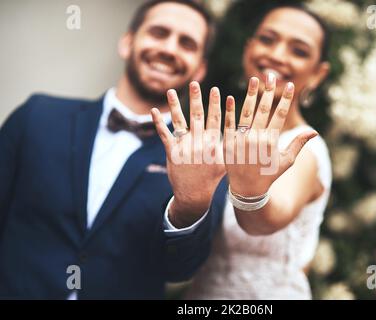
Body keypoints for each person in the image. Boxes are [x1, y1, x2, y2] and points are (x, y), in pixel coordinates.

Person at [0, 0, 227, 299]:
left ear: (200, 69)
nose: (170, 49)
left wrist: (188, 206)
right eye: (159, 33)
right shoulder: (38, 116)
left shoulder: (205, 157)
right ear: (127, 42)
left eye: (186, 43)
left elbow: (178, 269)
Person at [184, 3, 333, 299]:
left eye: (299, 51)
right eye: (267, 39)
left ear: (317, 74)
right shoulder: (219, 135)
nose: (277, 55)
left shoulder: (304, 147)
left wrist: (251, 194)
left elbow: (262, 221)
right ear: (248, 49)